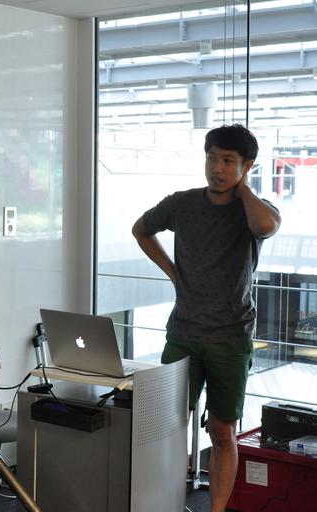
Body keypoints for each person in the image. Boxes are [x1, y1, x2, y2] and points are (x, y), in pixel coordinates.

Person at [131, 124, 281, 512]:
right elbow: (141, 230)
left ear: (247, 165)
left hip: (231, 338)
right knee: (166, 426)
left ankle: (215, 509)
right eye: (212, 158)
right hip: (183, 332)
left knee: (222, 430)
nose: (216, 167)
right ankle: (163, 502)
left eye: (228, 160)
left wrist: (243, 188)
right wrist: (172, 272)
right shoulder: (182, 203)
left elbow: (265, 227)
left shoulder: (254, 210)